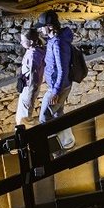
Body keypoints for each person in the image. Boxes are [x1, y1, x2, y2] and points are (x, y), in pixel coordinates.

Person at [37, 9, 76, 151]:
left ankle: (53, 148)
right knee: (58, 114)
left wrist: (56, 92)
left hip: (59, 87)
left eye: (42, 26)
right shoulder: (55, 40)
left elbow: (63, 69)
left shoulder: (58, 43)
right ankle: (67, 142)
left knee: (45, 117)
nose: (40, 29)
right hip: (58, 86)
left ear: (50, 26)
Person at [15, 28, 46, 126]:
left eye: (23, 41)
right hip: (28, 87)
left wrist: (30, 96)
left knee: (23, 119)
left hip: (29, 88)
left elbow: (34, 78)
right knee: (22, 116)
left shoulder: (33, 56)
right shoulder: (35, 50)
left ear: (31, 41)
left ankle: (26, 137)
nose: (21, 43)